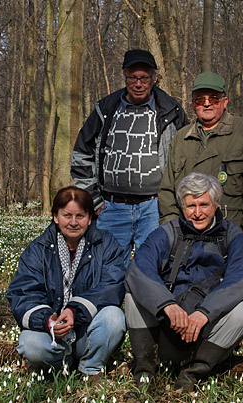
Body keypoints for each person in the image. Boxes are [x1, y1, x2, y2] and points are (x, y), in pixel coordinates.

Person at [125, 172, 243, 392]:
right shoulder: (168, 232)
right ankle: (145, 371)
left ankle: (191, 373)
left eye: (203, 204)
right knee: (132, 296)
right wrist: (166, 305)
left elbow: (241, 279)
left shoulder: (233, 235)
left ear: (216, 205)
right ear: (182, 207)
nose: (197, 213)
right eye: (190, 206)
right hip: (169, 325)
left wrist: (205, 312)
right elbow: (139, 268)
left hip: (206, 329)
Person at [71, 49, 188, 266]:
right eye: (133, 77)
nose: (138, 84)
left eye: (144, 78)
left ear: (154, 78)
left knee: (153, 268)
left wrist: (177, 202)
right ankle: (109, 302)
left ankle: (144, 302)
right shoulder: (105, 110)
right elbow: (81, 155)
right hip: (111, 207)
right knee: (107, 269)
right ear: (124, 76)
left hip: (155, 207)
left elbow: (188, 157)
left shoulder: (171, 111)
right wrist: (94, 201)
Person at [6, 186, 126, 378]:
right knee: (29, 344)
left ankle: (90, 367)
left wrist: (74, 310)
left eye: (80, 216)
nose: (73, 222)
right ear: (55, 217)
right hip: (52, 333)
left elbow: (112, 286)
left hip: (86, 329)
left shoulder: (106, 245)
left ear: (89, 218)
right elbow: (23, 293)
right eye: (66, 215)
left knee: (114, 317)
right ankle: (60, 364)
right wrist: (47, 321)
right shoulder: (38, 249)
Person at [158, 71, 243, 248]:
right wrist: (172, 225)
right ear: (192, 103)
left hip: (232, 230)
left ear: (225, 102)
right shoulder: (181, 138)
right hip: (188, 232)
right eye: (199, 99)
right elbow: (168, 188)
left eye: (213, 99)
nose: (206, 104)